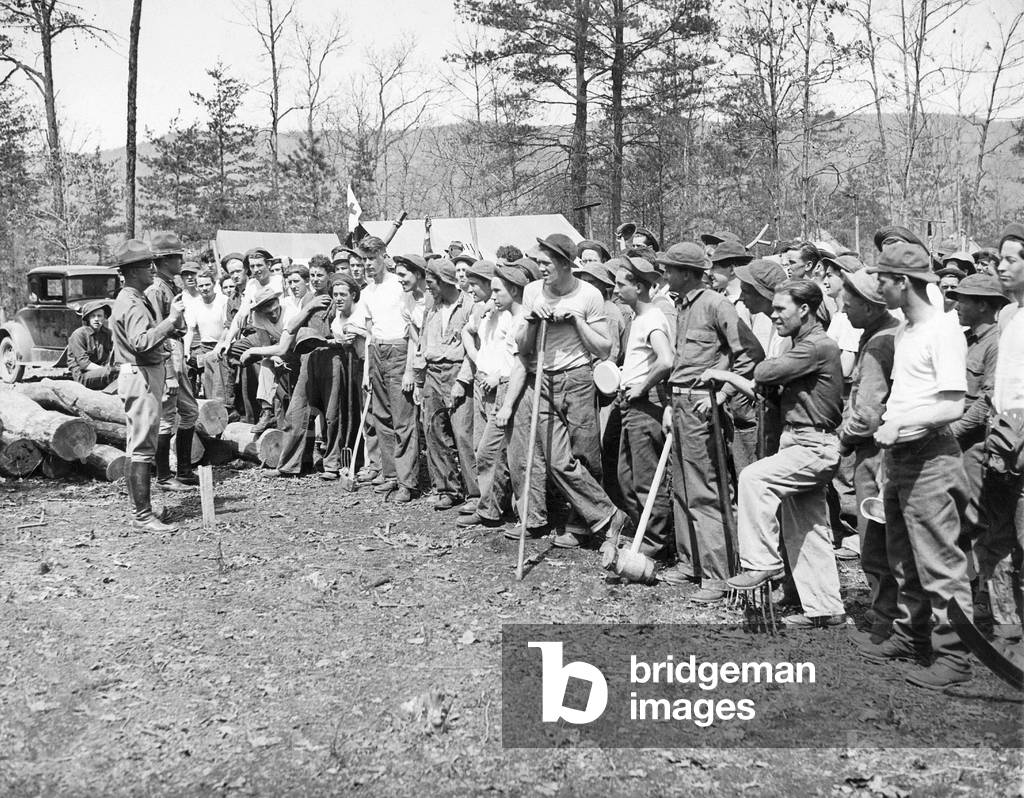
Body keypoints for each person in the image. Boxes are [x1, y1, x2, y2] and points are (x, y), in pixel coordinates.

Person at [862, 241, 974, 690]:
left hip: (932, 458)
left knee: (940, 562)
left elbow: (953, 405)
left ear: (903, 282)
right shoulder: (907, 331)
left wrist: (902, 423)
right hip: (902, 456)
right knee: (903, 556)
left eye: (883, 281)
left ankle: (955, 658)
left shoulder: (941, 331)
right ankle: (911, 637)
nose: (879, 289)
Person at [715, 279, 846, 627]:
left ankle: (761, 563)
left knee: (754, 478)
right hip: (799, 441)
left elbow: (763, 371)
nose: (773, 315)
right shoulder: (800, 346)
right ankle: (826, 608)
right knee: (809, 527)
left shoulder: (816, 346)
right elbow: (764, 386)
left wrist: (763, 374)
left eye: (779, 309)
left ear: (804, 310)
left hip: (813, 445)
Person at [657, 242, 759, 603]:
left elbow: (749, 357)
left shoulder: (717, 304)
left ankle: (717, 574)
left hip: (704, 409)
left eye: (670, 269)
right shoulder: (682, 306)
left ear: (686, 273)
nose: (665, 274)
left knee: (706, 490)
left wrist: (721, 396)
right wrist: (672, 404)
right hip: (681, 403)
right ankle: (691, 562)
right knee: (682, 488)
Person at [515, 233, 630, 548]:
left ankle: (581, 525)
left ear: (566, 265)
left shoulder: (589, 295)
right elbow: (522, 347)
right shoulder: (531, 293)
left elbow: (605, 348)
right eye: (538, 262)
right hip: (543, 379)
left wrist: (577, 321)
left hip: (578, 378)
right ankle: (610, 515)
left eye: (546, 263)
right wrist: (533, 321)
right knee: (555, 460)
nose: (540, 269)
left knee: (587, 457)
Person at [836, 269, 901, 643]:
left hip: (873, 454)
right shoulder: (884, 333)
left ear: (868, 305)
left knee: (874, 540)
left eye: (848, 305)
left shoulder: (879, 345)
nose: (843, 312)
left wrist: (841, 441)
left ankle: (884, 622)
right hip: (885, 451)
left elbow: (867, 414)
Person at [973, 222, 1024, 665]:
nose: (1001, 267)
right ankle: (1006, 626)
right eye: (1000, 258)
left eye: (1011, 259)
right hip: (1001, 438)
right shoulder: (1007, 316)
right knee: (996, 533)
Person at [109, 239, 183, 533]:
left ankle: (143, 511)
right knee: (141, 448)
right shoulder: (132, 302)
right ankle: (143, 515)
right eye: (146, 265)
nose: (153, 270)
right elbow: (141, 342)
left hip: (142, 374)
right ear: (132, 271)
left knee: (137, 446)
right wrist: (171, 321)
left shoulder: (133, 299)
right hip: (140, 375)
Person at [458, 261, 529, 529]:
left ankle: (496, 508)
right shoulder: (487, 314)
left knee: (494, 452)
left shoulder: (514, 316)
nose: (472, 288)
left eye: (478, 284)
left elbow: (515, 361)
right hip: (485, 384)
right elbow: (475, 341)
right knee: (485, 451)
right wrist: (478, 360)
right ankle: (490, 506)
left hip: (504, 388)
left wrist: (497, 376)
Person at [613, 256, 674, 561]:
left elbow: (666, 360)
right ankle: (642, 535)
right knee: (626, 478)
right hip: (629, 404)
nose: (615, 288)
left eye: (620, 283)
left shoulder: (652, 318)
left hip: (644, 406)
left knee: (645, 480)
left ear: (638, 287)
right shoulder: (638, 318)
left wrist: (642, 387)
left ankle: (654, 546)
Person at [947, 274, 1009, 536]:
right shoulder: (965, 339)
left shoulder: (995, 343)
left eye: (963, 301)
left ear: (983, 305)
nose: (957, 306)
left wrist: (955, 430)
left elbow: (988, 399)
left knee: (974, 514)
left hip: (975, 441)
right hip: (956, 437)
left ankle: (979, 575)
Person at [362, 241, 422, 501]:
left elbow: (412, 331)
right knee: (382, 418)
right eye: (364, 259)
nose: (367, 264)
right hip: (376, 352)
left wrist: (410, 370)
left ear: (382, 257)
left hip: (399, 352)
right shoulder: (367, 291)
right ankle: (390, 475)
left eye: (371, 258)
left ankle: (408, 482)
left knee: (402, 420)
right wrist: (366, 370)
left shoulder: (399, 286)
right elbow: (368, 333)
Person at [416, 259, 477, 509]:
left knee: (463, 434)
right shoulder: (431, 307)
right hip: (432, 373)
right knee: (434, 431)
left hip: (457, 371)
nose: (427, 287)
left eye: (431, 282)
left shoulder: (469, 306)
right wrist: (419, 379)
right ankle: (448, 489)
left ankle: (475, 494)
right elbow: (422, 342)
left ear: (443, 282)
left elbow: (474, 350)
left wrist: (462, 382)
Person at [146, 231, 199, 492]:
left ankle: (185, 470)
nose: (181, 261)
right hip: (167, 354)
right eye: (176, 256)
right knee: (167, 416)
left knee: (190, 411)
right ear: (165, 260)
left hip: (177, 350)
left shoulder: (170, 285)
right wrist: (167, 372)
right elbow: (158, 332)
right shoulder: (157, 290)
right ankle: (165, 476)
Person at [184, 269, 233, 414]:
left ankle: (218, 408)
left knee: (213, 361)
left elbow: (227, 328)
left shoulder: (223, 301)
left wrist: (218, 347)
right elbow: (190, 330)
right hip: (203, 346)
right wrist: (186, 351)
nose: (204, 289)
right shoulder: (195, 304)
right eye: (201, 286)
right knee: (185, 366)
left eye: (207, 285)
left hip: (222, 345)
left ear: (214, 284)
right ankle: (190, 407)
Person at [67, 299, 115, 389]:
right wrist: (107, 370)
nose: (96, 319)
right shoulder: (79, 334)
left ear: (105, 317)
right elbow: (84, 364)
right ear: (88, 318)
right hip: (82, 377)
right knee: (116, 373)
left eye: (99, 316)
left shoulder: (108, 334)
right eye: (93, 316)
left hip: (102, 372)